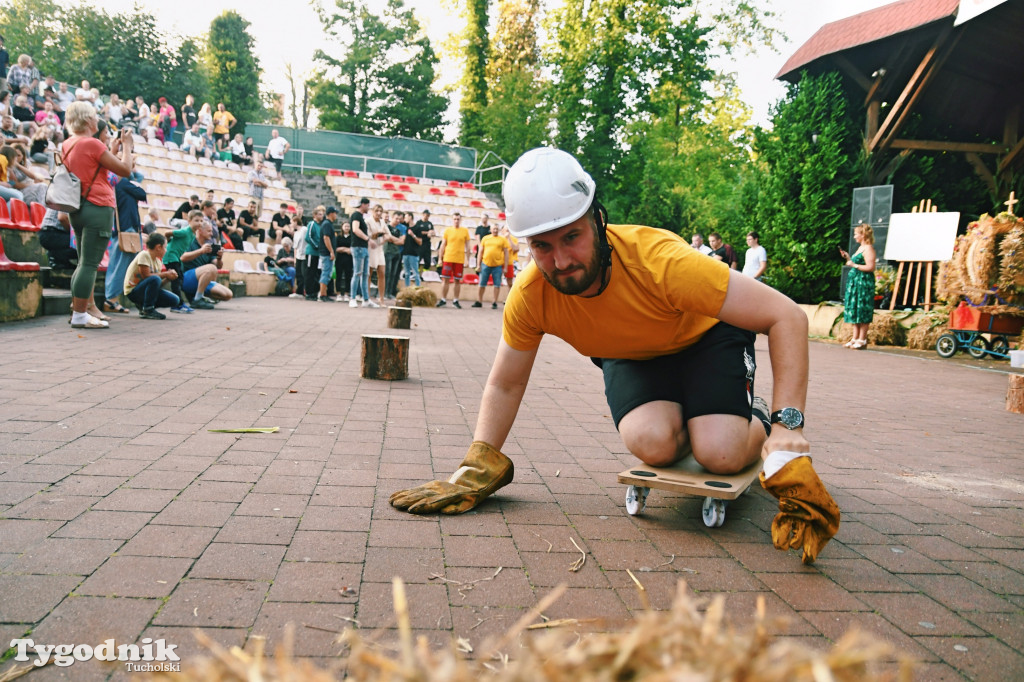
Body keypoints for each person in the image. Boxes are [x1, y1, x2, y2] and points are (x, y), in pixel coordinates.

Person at [389, 147, 840, 566]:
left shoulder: (663, 262)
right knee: (653, 444)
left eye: (572, 237)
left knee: (719, 451)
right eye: (542, 246)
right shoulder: (530, 295)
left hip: (704, 337)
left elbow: (787, 317)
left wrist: (786, 427)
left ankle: (752, 416)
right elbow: (506, 381)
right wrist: (479, 460)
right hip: (632, 355)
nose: (561, 261)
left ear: (598, 220)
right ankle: (698, 412)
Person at [62, 103, 134, 329]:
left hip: (78, 207)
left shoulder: (67, 143)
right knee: (89, 264)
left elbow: (95, 168)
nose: (97, 121)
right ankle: (81, 316)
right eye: (94, 117)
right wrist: (128, 147)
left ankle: (78, 310)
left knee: (83, 263)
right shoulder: (91, 143)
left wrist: (111, 150)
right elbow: (125, 170)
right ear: (87, 121)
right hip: (98, 206)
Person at [103, 170, 148, 315]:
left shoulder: (116, 185)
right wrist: (132, 174)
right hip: (127, 230)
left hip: (120, 229)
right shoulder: (122, 183)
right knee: (122, 266)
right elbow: (142, 193)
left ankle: (112, 299)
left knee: (116, 264)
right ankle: (111, 300)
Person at [180, 213, 233, 308]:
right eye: (209, 231)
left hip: (203, 279)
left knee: (228, 295)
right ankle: (197, 299)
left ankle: (200, 296)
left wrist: (219, 257)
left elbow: (218, 266)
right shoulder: (190, 241)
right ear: (200, 231)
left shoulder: (209, 245)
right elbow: (182, 257)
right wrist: (201, 251)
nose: (211, 234)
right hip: (186, 278)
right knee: (211, 268)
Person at [124, 232, 179, 319]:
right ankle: (148, 309)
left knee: (175, 300)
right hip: (133, 291)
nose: (166, 250)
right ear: (158, 247)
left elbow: (156, 286)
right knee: (155, 278)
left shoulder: (158, 261)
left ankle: (144, 307)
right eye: (165, 247)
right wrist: (165, 274)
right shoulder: (144, 255)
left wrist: (168, 278)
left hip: (144, 290)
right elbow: (146, 276)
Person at [839, 224, 876, 350]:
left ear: (863, 235)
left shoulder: (868, 249)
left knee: (862, 309)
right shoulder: (861, 248)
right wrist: (848, 258)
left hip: (863, 283)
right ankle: (855, 338)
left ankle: (862, 339)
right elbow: (854, 262)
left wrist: (853, 265)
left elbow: (870, 267)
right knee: (854, 308)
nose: (854, 236)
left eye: (856, 234)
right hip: (855, 282)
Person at [435, 212, 470, 308]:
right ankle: (443, 299)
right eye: (455, 219)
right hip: (448, 258)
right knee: (445, 279)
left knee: (457, 280)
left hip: (459, 259)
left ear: (460, 220)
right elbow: (443, 245)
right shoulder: (448, 230)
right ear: (452, 220)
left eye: (458, 219)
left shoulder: (465, 231)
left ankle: (455, 300)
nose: (456, 221)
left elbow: (468, 246)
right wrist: (440, 259)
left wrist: (467, 259)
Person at [474, 222, 509, 309]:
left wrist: (506, 267)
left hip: (497, 266)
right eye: (494, 229)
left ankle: (494, 302)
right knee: (481, 284)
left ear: (499, 230)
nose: (495, 230)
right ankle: (479, 301)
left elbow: (506, 253)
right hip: (485, 264)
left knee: (497, 285)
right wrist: (478, 265)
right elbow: (480, 252)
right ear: (490, 230)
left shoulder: (503, 240)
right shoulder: (485, 238)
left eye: (497, 229)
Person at [365, 204, 391, 307]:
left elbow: (388, 234)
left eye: (381, 211)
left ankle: (381, 299)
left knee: (382, 274)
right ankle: (367, 298)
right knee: (369, 274)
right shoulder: (368, 221)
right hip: (371, 249)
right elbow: (368, 236)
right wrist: (377, 233)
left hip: (380, 249)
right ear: (373, 211)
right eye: (377, 211)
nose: (379, 213)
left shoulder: (382, 222)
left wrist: (385, 237)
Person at [349, 197, 373, 307]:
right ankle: (352, 298)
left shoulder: (361, 217)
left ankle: (366, 299)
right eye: (367, 205)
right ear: (363, 204)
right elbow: (355, 229)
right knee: (357, 273)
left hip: (363, 247)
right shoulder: (356, 215)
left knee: (365, 274)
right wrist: (367, 239)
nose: (368, 207)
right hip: (358, 247)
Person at [316, 206, 338, 302]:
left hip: (325, 253)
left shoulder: (327, 224)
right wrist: (331, 251)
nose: (336, 215)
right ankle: (322, 294)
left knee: (327, 273)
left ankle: (323, 293)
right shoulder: (327, 224)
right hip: (326, 253)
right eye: (335, 213)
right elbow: (326, 238)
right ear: (331, 214)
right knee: (326, 273)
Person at [384, 210, 405, 299]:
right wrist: (396, 240)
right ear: (392, 218)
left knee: (393, 274)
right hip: (388, 252)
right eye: (396, 219)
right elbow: (387, 238)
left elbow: (402, 242)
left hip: (397, 253)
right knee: (387, 273)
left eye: (399, 220)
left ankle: (389, 293)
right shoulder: (386, 227)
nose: (398, 221)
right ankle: (384, 293)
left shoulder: (398, 230)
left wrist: (393, 239)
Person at [401, 212, 424, 288]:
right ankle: (407, 289)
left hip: (414, 254)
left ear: (410, 217)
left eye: (406, 217)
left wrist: (413, 235)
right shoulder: (405, 227)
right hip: (405, 254)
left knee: (415, 273)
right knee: (406, 274)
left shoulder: (418, 228)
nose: (405, 219)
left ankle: (418, 289)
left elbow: (420, 242)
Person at [334, 219, 354, 301]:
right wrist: (345, 249)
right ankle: (338, 294)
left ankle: (346, 294)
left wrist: (344, 249)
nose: (347, 228)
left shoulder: (352, 237)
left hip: (349, 260)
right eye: (345, 226)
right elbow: (336, 248)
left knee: (348, 276)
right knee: (338, 276)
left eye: (348, 226)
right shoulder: (338, 237)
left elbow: (352, 249)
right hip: (339, 259)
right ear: (342, 227)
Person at [292, 215, 308, 299]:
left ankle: (305, 290)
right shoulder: (296, 233)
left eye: (292, 222)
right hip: (298, 255)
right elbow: (295, 246)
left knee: (303, 273)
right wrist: (295, 258)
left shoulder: (304, 229)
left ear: (295, 222)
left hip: (305, 254)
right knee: (298, 273)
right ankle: (299, 291)